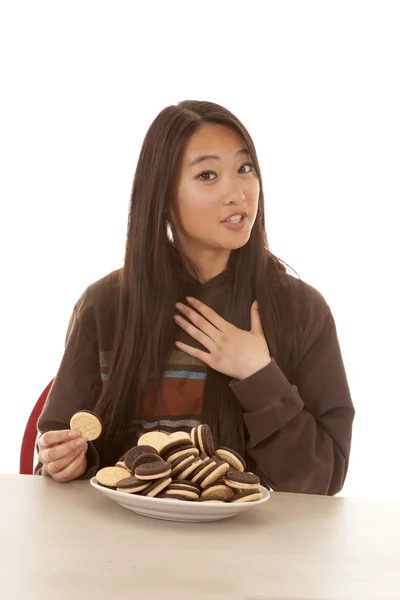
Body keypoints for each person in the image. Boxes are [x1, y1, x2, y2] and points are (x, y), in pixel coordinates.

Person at [35, 100, 355, 495]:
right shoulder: (105, 306)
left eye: (245, 168)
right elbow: (57, 452)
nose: (237, 192)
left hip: (256, 553)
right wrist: (66, 460)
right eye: (207, 175)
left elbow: (324, 482)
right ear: (163, 195)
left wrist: (258, 374)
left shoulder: (303, 311)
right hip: (122, 548)